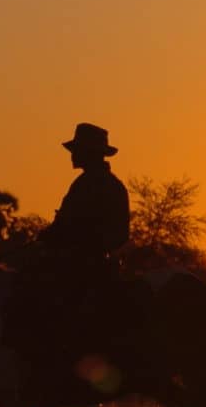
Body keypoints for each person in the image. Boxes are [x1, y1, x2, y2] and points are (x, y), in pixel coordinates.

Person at [10, 122, 130, 354]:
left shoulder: (93, 185)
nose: (73, 155)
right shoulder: (102, 185)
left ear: (89, 153)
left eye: (78, 150)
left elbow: (112, 233)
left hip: (84, 266)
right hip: (89, 263)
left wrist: (68, 240)